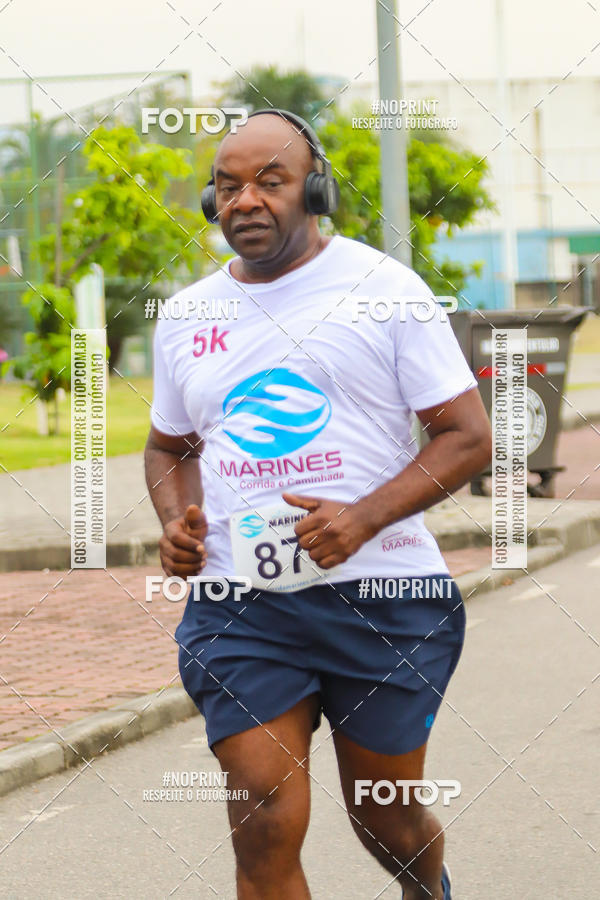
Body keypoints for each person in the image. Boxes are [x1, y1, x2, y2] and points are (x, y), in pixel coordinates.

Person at [145, 108, 492, 899]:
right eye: (229, 186)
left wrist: (362, 518)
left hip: (385, 596)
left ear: (316, 190)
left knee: (385, 817)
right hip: (241, 603)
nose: (246, 200)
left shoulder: (385, 291)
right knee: (262, 811)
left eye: (271, 181)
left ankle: (426, 887)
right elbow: (170, 448)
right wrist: (176, 520)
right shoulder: (188, 315)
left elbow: (468, 437)